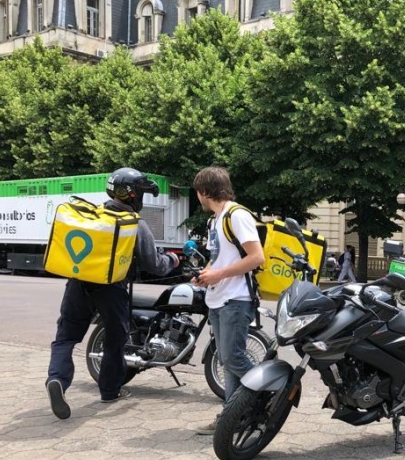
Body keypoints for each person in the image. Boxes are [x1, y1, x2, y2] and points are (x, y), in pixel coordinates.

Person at [46, 168, 180, 420]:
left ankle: (57, 379)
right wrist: (172, 260)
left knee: (65, 338)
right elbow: (154, 264)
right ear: (134, 195)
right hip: (111, 288)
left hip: (77, 284)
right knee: (115, 340)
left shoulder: (94, 216)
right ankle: (109, 391)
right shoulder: (133, 223)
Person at [192, 166, 265, 434]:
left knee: (233, 358)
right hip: (218, 298)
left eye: (197, 191)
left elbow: (257, 258)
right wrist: (206, 275)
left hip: (236, 299)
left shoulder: (237, 215)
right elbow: (220, 258)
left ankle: (268, 394)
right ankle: (232, 417)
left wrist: (219, 274)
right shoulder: (216, 220)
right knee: (227, 361)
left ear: (204, 191)